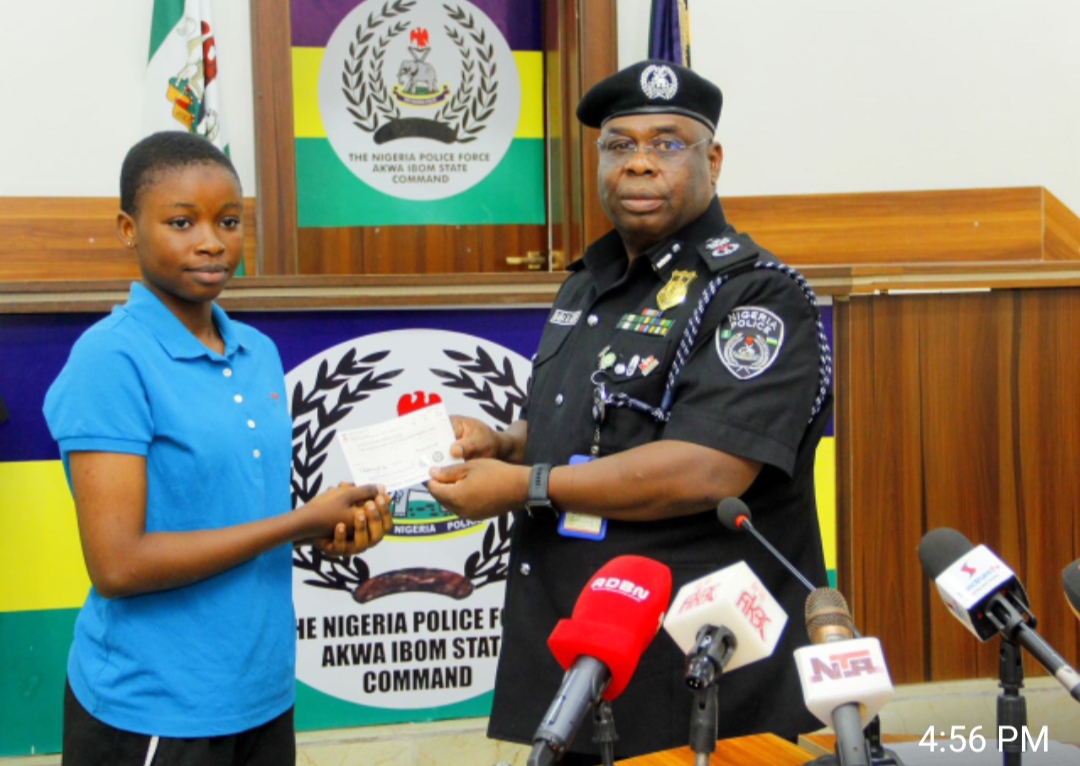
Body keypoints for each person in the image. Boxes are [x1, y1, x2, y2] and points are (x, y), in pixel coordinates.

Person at [428, 60, 832, 762]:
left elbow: (709, 469)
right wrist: (506, 443)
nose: (639, 163)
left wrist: (525, 484)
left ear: (712, 161)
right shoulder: (589, 284)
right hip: (585, 644)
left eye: (666, 144)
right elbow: (598, 425)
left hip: (693, 672)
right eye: (620, 145)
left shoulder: (755, 296)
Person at [43, 131, 393, 766]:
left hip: (262, 693)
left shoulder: (258, 351)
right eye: (182, 222)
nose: (211, 242)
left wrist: (330, 528)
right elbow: (117, 565)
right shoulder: (110, 359)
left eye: (229, 221)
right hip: (153, 705)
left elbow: (239, 514)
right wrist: (298, 522)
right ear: (128, 229)